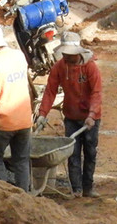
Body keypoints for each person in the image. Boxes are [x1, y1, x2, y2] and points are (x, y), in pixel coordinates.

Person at [34, 32, 103, 198]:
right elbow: (50, 91)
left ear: (78, 53)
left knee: (90, 152)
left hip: (90, 118)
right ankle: (77, 189)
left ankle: (88, 187)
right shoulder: (59, 67)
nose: (67, 57)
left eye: (70, 55)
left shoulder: (90, 67)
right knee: (72, 153)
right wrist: (43, 113)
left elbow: (97, 93)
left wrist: (92, 114)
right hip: (71, 116)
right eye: (64, 54)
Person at [0, 24, 33, 192]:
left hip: (4, 122)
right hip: (25, 120)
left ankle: (2, 194)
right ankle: (24, 195)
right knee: (22, 160)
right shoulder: (18, 55)